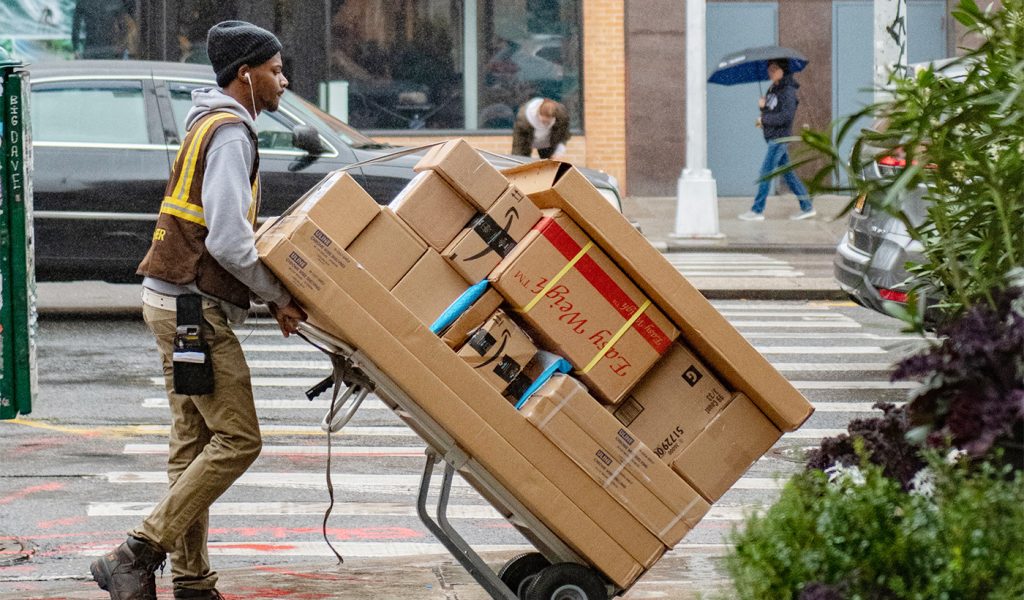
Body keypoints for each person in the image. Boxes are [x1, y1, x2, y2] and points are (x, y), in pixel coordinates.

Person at [90, 20, 305, 600]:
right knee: (238, 440)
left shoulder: (205, 123)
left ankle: (192, 582)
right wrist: (280, 296)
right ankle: (135, 551)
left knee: (191, 445)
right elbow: (230, 243)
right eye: (276, 70)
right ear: (245, 74)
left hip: (168, 300)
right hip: (194, 309)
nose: (283, 81)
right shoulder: (232, 134)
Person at [739, 59, 816, 221]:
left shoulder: (788, 91)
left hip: (780, 138)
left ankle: (757, 210)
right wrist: (762, 108)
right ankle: (807, 206)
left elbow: (786, 117)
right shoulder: (773, 88)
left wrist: (764, 120)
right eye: (769, 69)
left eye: (774, 69)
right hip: (773, 137)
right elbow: (771, 111)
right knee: (789, 175)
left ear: (783, 70)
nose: (770, 72)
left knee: (765, 173)